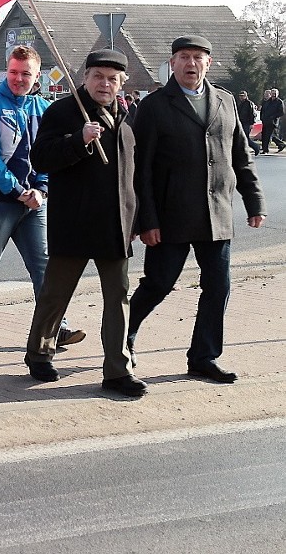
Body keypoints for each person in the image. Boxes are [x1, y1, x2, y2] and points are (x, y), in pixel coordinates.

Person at [128, 35, 266, 383]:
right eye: (184, 57)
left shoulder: (225, 100)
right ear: (172, 63)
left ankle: (203, 357)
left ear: (209, 62)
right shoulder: (156, 106)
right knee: (158, 284)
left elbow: (240, 155)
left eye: (198, 57)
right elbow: (140, 169)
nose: (191, 64)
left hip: (216, 213)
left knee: (218, 287)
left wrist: (254, 201)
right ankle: (122, 338)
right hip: (170, 217)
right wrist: (147, 219)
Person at [24, 49, 145, 397]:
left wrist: (136, 215)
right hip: (73, 220)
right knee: (55, 295)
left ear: (122, 83)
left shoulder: (126, 114)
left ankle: (118, 371)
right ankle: (39, 354)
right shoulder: (64, 111)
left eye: (112, 79)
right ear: (85, 77)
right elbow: (41, 157)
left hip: (115, 223)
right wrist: (79, 139)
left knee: (118, 298)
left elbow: (134, 172)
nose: (104, 84)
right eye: (97, 77)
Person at [0, 45, 85, 347]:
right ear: (7, 71)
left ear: (37, 77)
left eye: (26, 74)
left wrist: (42, 189)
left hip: (35, 203)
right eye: (14, 72)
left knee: (44, 265)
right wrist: (18, 191)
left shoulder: (43, 108)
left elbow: (50, 154)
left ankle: (57, 326)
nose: (19, 79)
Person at [259, 88, 285, 153]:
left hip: (273, 122)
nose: (273, 95)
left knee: (268, 135)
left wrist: (273, 117)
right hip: (265, 121)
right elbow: (263, 110)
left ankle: (265, 150)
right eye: (272, 93)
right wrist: (262, 117)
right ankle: (281, 144)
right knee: (266, 135)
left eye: (275, 93)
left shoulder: (279, 102)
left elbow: (281, 112)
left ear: (277, 94)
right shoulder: (267, 101)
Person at [236, 90, 260, 155]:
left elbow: (253, 114)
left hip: (247, 123)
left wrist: (252, 123)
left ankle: (256, 147)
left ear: (246, 96)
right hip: (242, 123)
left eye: (242, 96)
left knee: (245, 138)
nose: (241, 97)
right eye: (240, 96)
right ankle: (244, 151)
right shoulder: (240, 104)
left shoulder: (249, 103)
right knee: (242, 138)